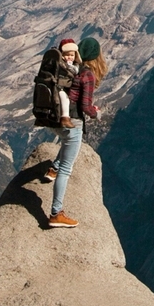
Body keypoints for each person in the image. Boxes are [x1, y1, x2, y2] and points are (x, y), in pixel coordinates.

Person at [42, 36, 107, 229]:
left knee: (65, 146)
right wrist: (96, 113)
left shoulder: (73, 69)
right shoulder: (87, 75)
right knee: (66, 169)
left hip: (58, 118)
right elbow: (85, 107)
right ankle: (56, 213)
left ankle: (53, 168)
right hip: (73, 123)